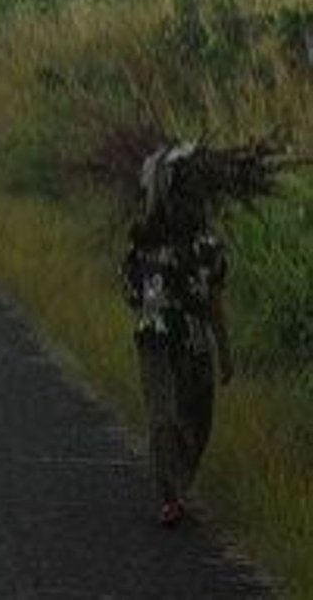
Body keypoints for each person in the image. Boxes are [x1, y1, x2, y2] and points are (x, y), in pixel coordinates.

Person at [123, 145, 234, 528]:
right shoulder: (144, 242)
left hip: (194, 343)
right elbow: (133, 293)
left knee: (197, 420)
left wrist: (225, 351)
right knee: (164, 417)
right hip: (157, 340)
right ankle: (170, 493)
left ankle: (177, 482)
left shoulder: (206, 247)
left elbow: (215, 300)